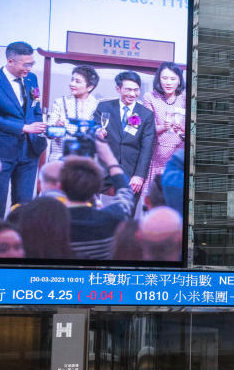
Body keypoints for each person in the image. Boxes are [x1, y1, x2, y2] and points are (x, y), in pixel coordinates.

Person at [0, 41, 47, 218]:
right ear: (10, 61)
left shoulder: (32, 79)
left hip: (29, 151)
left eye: (32, 63)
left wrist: (39, 126)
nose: (30, 68)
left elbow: (35, 107)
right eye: (26, 64)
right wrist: (24, 127)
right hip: (2, 151)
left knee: (24, 205)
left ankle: (19, 241)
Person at [61, 142, 134, 259]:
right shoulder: (112, 217)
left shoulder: (50, 221)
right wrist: (110, 159)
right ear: (97, 187)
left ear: (60, 186)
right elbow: (126, 192)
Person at [94, 71, 156, 199]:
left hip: (131, 174)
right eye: (128, 89)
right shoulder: (104, 107)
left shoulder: (146, 114)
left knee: (126, 215)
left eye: (136, 90)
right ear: (118, 89)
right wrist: (96, 132)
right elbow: (93, 129)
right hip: (103, 171)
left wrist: (139, 175)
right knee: (96, 212)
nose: (132, 94)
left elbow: (147, 148)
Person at [140, 62, 186, 210]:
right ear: (159, 79)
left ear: (179, 80)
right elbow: (148, 128)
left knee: (176, 201)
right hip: (157, 155)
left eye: (173, 79)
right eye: (164, 78)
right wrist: (163, 127)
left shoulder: (185, 97)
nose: (168, 82)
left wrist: (184, 128)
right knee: (155, 201)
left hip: (179, 154)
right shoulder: (150, 97)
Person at [47, 65, 100, 162]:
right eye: (72, 80)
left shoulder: (97, 106)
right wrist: (56, 126)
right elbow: (49, 133)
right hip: (59, 158)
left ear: (90, 87)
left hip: (84, 160)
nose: (72, 84)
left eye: (77, 81)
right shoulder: (60, 102)